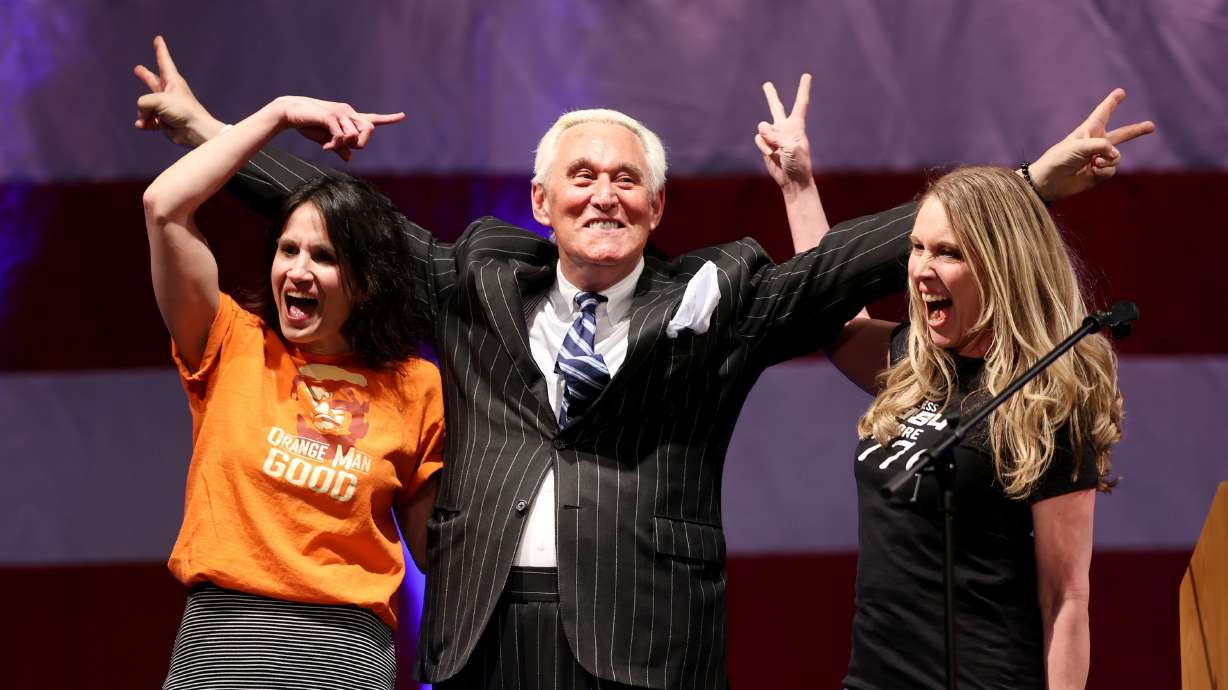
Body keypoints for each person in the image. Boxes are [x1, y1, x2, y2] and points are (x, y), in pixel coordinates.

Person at [134, 36, 1148, 690]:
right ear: (542, 201)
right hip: (487, 635)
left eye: (628, 180)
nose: (605, 194)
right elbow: (352, 223)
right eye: (582, 177)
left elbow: (839, 265)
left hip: (645, 640)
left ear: (658, 207)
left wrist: (1024, 186)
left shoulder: (717, 296)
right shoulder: (479, 278)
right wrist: (205, 131)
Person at [758, 86, 1151, 688]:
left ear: (1001, 266)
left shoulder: (1044, 401)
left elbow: (1066, 599)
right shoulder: (917, 367)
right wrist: (797, 187)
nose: (920, 269)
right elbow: (832, 314)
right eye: (916, 248)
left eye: (948, 253)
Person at [141, 92, 445, 688]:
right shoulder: (228, 340)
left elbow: (439, 553)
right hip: (219, 647)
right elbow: (163, 206)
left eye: (324, 256)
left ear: (365, 283)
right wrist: (278, 113)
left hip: (345, 659)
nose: (298, 270)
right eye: (288, 249)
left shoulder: (415, 385)